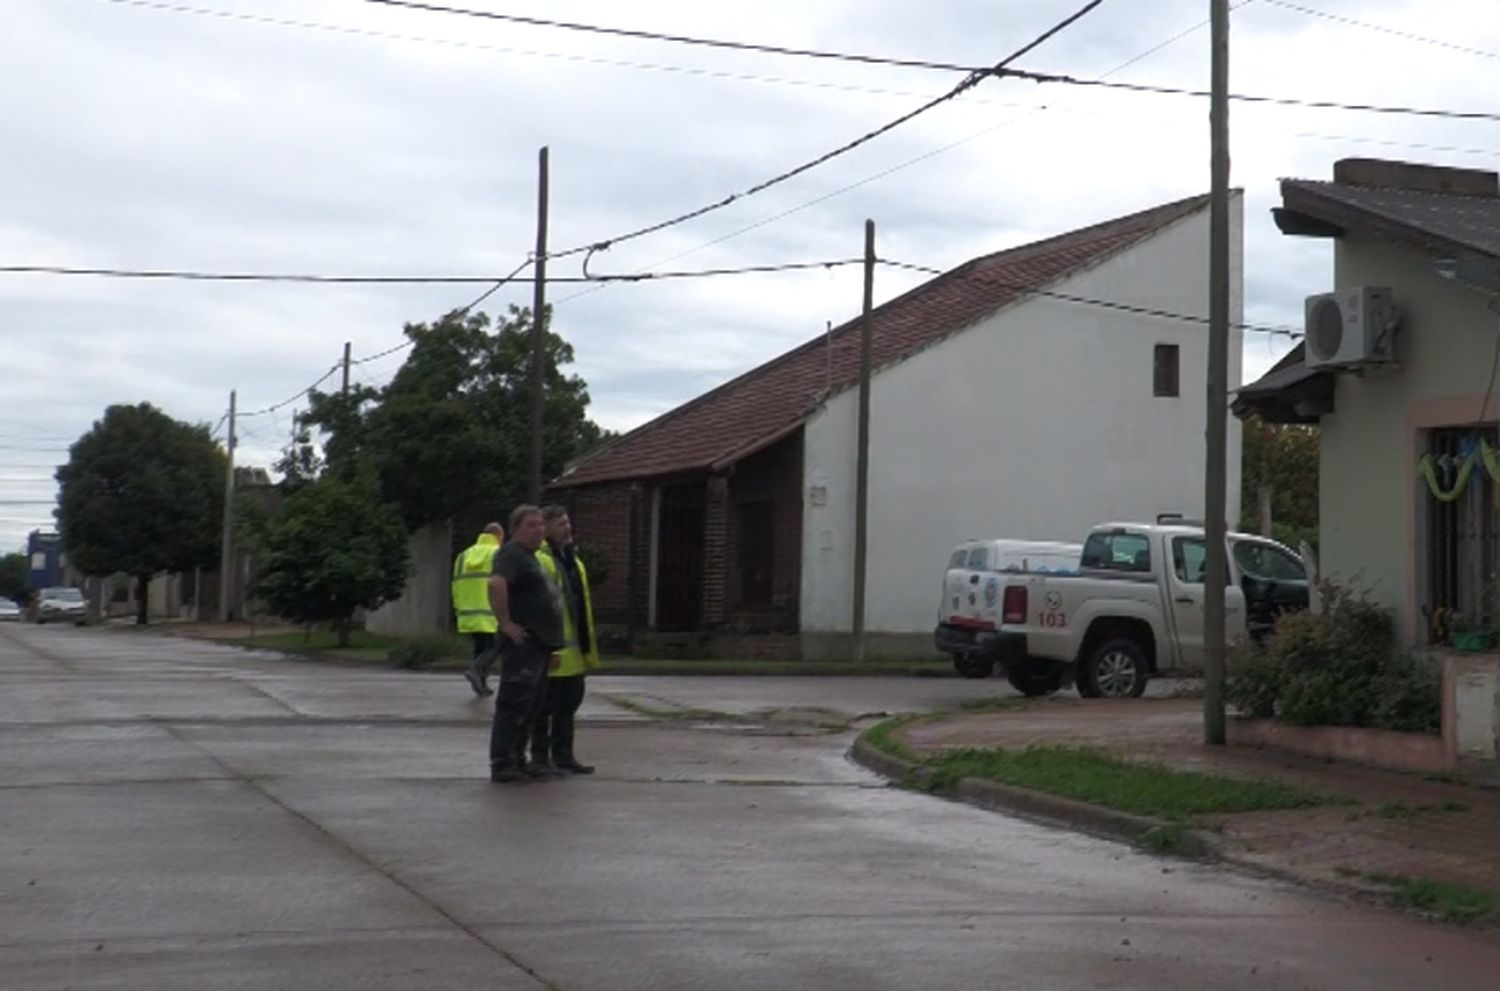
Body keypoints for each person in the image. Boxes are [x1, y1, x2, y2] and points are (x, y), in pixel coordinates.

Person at [486, 505, 563, 783]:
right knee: (514, 703)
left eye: (541, 525)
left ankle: (519, 759)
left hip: (539, 645)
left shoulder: (530, 557)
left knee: (532, 705)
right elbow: (496, 584)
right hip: (523, 646)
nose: (539, 530)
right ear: (516, 528)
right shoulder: (511, 554)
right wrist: (506, 623)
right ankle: (503, 763)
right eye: (532, 525)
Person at [532, 505, 601, 775]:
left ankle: (563, 756)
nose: (568, 528)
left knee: (568, 707)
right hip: (555, 651)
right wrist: (549, 646)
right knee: (544, 709)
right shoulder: (543, 561)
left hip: (574, 655)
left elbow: (580, 610)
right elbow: (544, 608)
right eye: (561, 524)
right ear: (546, 529)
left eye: (568, 523)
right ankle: (540, 758)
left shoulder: (574, 561)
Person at [452, 522, 504, 697]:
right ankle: (475, 670)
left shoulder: (463, 556)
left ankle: (481, 684)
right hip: (490, 610)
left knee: (480, 646)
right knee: (496, 646)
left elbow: (455, 584)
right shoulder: (497, 554)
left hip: (468, 611)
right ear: (498, 536)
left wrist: (458, 608)